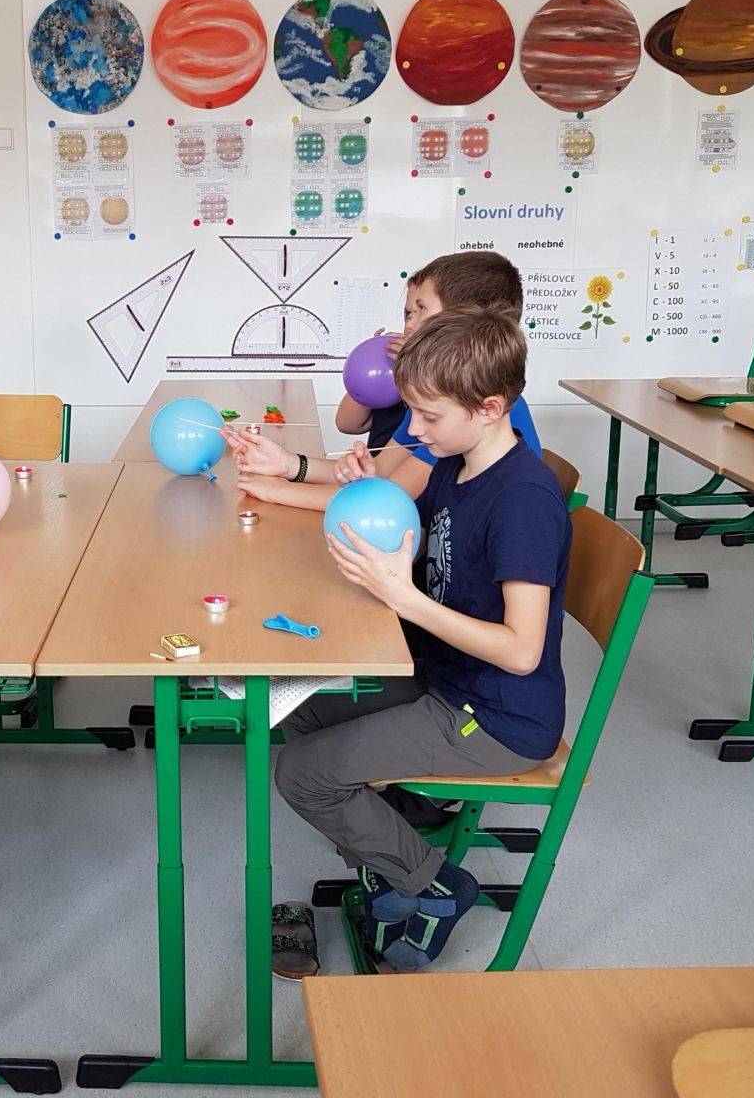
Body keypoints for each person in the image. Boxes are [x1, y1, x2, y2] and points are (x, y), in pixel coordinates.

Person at [272, 308, 571, 972]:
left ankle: (433, 882)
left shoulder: (523, 500)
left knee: (300, 773)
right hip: (445, 678)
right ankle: (386, 854)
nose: (413, 429)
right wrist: (364, 487)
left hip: (495, 717)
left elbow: (521, 650)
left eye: (429, 415)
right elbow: (402, 527)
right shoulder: (453, 465)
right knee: (295, 703)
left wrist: (404, 599)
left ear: (490, 407)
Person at [235, 250, 540, 512]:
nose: (410, 324)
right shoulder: (434, 404)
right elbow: (380, 471)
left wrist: (278, 490)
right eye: (408, 313)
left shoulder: (465, 410)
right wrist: (289, 465)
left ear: (463, 320)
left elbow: (387, 496)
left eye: (421, 310)